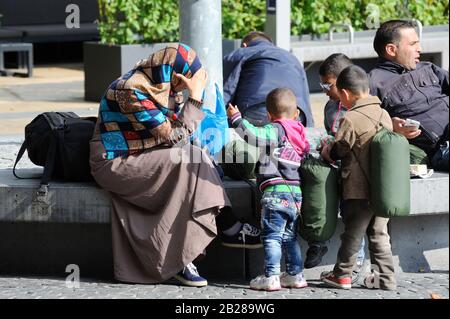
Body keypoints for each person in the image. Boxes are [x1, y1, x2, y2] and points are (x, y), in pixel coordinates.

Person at [89, 43, 261, 288]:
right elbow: (177, 138)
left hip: (149, 153)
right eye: (186, 81)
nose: (184, 88)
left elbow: (182, 139)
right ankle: (221, 232)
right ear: (176, 74)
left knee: (196, 157)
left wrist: (184, 98)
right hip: (116, 162)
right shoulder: (130, 90)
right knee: (191, 158)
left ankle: (197, 248)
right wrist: (196, 98)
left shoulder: (167, 87)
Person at [320, 65, 396, 290]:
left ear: (344, 94)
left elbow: (339, 150)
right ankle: (386, 278)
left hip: (358, 189)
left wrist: (327, 150)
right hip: (382, 188)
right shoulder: (384, 114)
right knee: (380, 234)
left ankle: (342, 274)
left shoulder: (351, 118)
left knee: (353, 233)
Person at [227, 88, 310, 291]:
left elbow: (252, 135)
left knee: (272, 237)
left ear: (269, 115)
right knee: (290, 237)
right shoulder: (299, 134)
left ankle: (271, 275)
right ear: (296, 113)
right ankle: (295, 274)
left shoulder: (275, 129)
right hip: (295, 195)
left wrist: (236, 118)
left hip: (275, 193)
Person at [304, 54, 366, 285]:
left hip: (356, 172)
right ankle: (317, 244)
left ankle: (355, 263)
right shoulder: (331, 106)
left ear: (344, 81)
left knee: (354, 220)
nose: (323, 90)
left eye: (327, 84)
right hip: (335, 164)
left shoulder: (361, 106)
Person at [369, 20, 449, 171]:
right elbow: (356, 121)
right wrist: (389, 125)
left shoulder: (427, 68)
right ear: (391, 50)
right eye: (413, 44)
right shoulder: (374, 83)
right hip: (441, 148)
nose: (420, 49)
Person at [223, 31, 314, 127]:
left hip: (258, 110)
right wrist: (309, 125)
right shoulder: (292, 57)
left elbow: (227, 88)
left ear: (245, 45)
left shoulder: (243, 52)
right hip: (295, 113)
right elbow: (305, 96)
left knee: (249, 136)